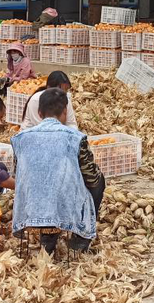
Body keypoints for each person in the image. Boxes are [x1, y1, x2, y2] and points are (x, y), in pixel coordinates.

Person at [11, 88, 104, 253]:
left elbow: (17, 174)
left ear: (39, 113)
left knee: (45, 186)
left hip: (31, 204)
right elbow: (91, 178)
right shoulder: (75, 137)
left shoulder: (21, 138)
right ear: (65, 112)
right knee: (98, 180)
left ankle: (47, 240)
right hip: (64, 201)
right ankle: (80, 239)